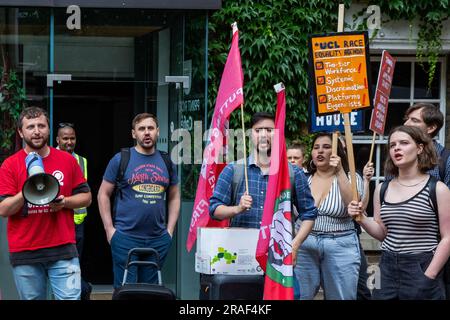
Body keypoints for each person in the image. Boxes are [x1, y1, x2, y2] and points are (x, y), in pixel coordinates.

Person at [209, 112, 318, 298]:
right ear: (251, 134)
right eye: (258, 130)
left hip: (278, 262)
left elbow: (309, 213)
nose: (264, 135)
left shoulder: (292, 174)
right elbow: (214, 210)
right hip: (241, 262)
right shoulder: (234, 170)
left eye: (269, 130)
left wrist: (295, 244)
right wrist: (237, 208)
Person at [0, 106, 92, 300]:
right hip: (26, 252)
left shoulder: (67, 161)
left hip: (63, 249)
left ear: (49, 130)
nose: (36, 131)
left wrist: (65, 202)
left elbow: (87, 197)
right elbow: (4, 209)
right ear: (20, 132)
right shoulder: (10, 165)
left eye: (41, 125)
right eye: (30, 126)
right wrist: (27, 190)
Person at [348, 125, 450, 299]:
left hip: (421, 266)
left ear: (419, 148)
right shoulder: (382, 188)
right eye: (393, 145)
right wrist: (361, 218)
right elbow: (382, 233)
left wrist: (430, 275)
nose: (397, 148)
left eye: (403, 143)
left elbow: (447, 237)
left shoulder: (437, 189)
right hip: (386, 266)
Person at [97, 113, 180, 289]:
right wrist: (110, 230)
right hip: (125, 237)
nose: (146, 133)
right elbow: (103, 194)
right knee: (126, 291)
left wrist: (170, 231)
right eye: (141, 129)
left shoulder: (166, 161)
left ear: (157, 132)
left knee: (150, 292)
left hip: (158, 239)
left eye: (150, 128)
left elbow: (174, 196)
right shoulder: (121, 159)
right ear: (134, 134)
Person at [294, 132, 364, 300]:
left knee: (341, 297)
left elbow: (352, 207)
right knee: (298, 296)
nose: (320, 151)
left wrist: (339, 171)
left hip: (340, 244)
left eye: (326, 147)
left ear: (337, 153)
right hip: (304, 244)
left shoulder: (351, 177)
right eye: (316, 148)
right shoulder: (301, 178)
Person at [56, 122, 92, 300]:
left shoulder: (81, 161)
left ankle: (81, 291)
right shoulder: (48, 157)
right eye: (65, 138)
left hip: (77, 223)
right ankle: (83, 289)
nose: (69, 142)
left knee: (73, 264)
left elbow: (83, 191)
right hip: (56, 221)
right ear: (57, 139)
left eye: (72, 138)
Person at [404, 103, 450, 188]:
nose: (406, 124)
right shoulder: (400, 154)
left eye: (414, 120)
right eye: (407, 119)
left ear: (431, 128)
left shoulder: (446, 159)